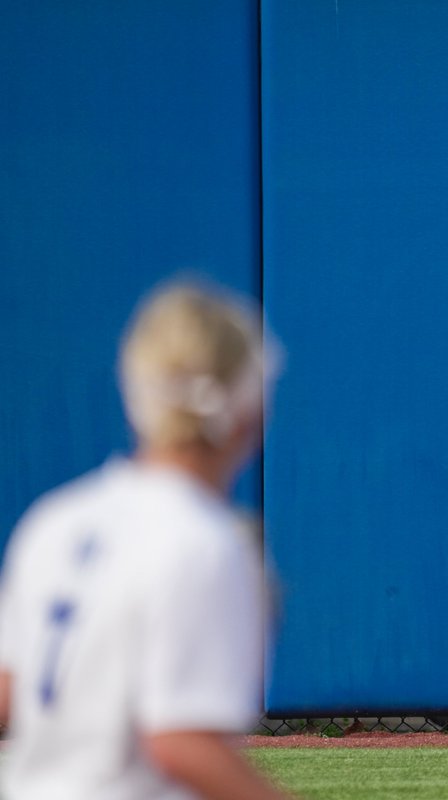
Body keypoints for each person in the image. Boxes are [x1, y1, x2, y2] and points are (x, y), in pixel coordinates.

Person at [0, 282, 290, 799]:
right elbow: (179, 741)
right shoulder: (205, 543)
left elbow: (10, 690)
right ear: (249, 409)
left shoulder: (53, 522)